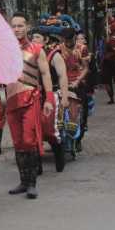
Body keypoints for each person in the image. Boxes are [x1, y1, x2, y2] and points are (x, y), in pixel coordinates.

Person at [0, 13, 53, 199]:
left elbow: (46, 74)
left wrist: (49, 99)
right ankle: (23, 181)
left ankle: (32, 183)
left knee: (29, 140)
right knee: (18, 142)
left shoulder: (38, 49)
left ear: (27, 27)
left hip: (31, 100)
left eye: (20, 26)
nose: (17, 29)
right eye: (14, 26)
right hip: (12, 102)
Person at [44, 32, 70, 171]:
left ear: (46, 39)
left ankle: (59, 158)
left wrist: (64, 97)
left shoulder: (55, 55)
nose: (34, 40)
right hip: (36, 95)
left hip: (53, 94)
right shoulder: (32, 53)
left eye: (37, 37)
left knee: (51, 129)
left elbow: (62, 76)